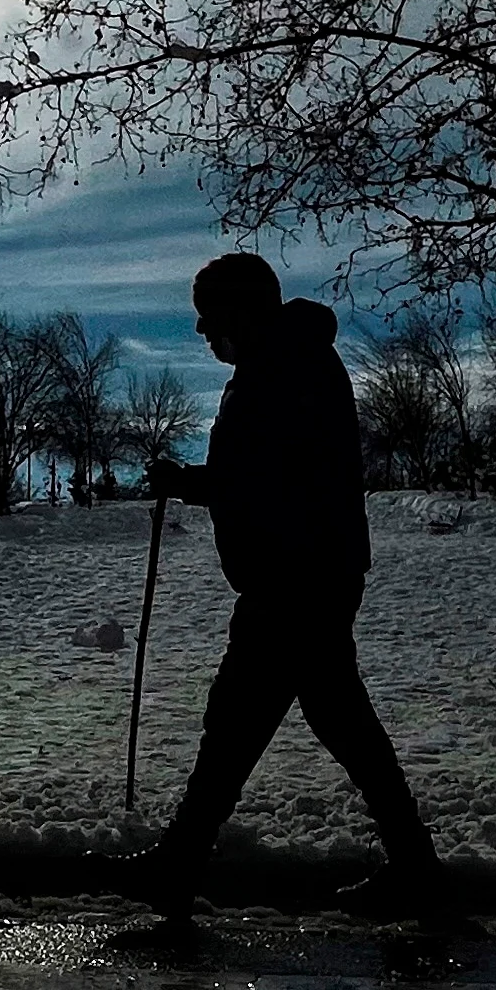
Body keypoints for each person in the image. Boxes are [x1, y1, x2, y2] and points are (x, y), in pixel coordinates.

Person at [111, 251, 445, 919]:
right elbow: (257, 474)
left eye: (210, 318)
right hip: (303, 574)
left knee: (240, 718)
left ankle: (181, 860)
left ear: (243, 310)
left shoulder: (287, 368)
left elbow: (268, 479)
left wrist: (192, 484)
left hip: (299, 576)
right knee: (319, 721)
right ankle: (415, 869)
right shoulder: (277, 365)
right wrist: (195, 483)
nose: (205, 333)